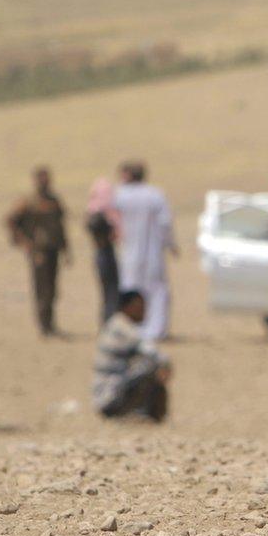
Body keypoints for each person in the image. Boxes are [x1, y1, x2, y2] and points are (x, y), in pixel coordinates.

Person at [114, 161, 178, 340]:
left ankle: (130, 330)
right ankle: (156, 330)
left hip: (129, 253)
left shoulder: (120, 196)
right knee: (157, 291)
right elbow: (165, 223)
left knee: (131, 291)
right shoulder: (155, 195)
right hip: (153, 253)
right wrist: (171, 245)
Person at [5, 166, 71, 336]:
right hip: (38, 251)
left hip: (53, 249)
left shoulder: (54, 200)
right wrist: (24, 243)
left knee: (53, 288)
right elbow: (11, 221)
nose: (45, 182)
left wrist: (66, 249)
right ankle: (44, 326)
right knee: (42, 288)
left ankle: (51, 323)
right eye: (41, 179)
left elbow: (60, 226)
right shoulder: (28, 201)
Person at [92, 290, 171, 422]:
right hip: (108, 396)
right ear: (127, 307)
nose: (144, 311)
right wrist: (165, 365)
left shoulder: (116, 323)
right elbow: (152, 352)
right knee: (151, 368)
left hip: (110, 392)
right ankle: (139, 413)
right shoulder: (122, 327)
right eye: (140, 306)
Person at [86, 178, 120, 323]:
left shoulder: (91, 211)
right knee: (111, 291)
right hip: (105, 254)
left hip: (101, 254)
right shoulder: (101, 215)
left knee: (108, 292)